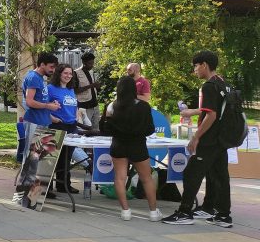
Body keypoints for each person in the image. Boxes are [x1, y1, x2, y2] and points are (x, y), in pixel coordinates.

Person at [163, 51, 233, 227]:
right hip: (222, 139)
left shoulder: (209, 86)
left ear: (204, 65)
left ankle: (185, 212)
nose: (194, 70)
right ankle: (223, 215)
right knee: (220, 176)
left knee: (192, 173)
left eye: (195, 66)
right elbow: (214, 110)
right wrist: (194, 112)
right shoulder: (224, 83)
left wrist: (195, 137)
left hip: (209, 140)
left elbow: (211, 115)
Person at [100, 76, 162, 222]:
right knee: (146, 178)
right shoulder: (144, 106)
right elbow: (150, 129)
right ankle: (153, 212)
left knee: (120, 178)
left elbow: (104, 130)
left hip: (118, 146)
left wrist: (107, 118)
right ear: (134, 89)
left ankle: (125, 211)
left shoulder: (112, 106)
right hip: (138, 146)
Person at [48, 63, 78, 194]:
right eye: (65, 73)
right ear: (59, 73)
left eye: (70, 73)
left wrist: (76, 117)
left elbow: (74, 106)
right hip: (57, 126)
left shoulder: (71, 90)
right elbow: (44, 106)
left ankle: (64, 184)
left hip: (71, 127)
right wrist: (52, 118)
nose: (68, 76)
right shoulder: (50, 88)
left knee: (66, 158)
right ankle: (46, 188)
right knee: (52, 158)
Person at [22, 53, 60, 148]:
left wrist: (51, 106)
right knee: (32, 156)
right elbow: (29, 102)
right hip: (34, 122)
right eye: (51, 67)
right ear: (42, 64)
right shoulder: (33, 77)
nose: (53, 70)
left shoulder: (40, 78)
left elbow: (40, 100)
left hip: (43, 122)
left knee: (39, 156)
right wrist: (48, 106)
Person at [74, 52, 101, 129]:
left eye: (93, 63)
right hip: (84, 106)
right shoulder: (76, 73)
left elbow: (94, 87)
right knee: (85, 128)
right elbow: (75, 91)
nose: (92, 65)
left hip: (95, 104)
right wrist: (91, 85)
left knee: (96, 127)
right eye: (89, 63)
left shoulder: (91, 72)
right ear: (83, 62)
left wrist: (97, 87)